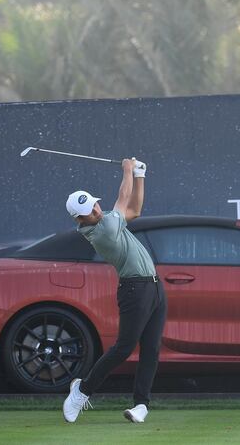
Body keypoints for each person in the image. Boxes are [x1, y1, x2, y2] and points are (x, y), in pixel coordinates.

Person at [62, 157, 167, 424]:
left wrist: (140, 174)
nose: (97, 209)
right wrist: (128, 170)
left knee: (151, 349)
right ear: (80, 217)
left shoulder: (108, 220)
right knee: (123, 348)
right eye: (90, 209)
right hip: (135, 289)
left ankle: (141, 405)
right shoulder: (103, 230)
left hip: (154, 287)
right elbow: (123, 199)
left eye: (95, 203)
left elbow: (134, 211)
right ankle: (81, 391)